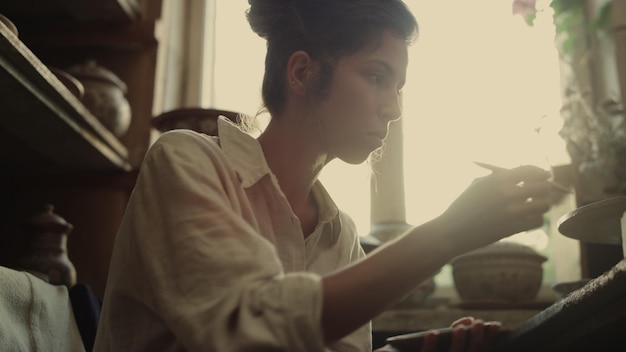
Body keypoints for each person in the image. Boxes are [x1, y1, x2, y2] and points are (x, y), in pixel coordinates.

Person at [93, 0, 552, 351]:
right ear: (302, 72)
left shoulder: (340, 237)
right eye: (376, 76)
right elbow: (247, 328)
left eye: (398, 87)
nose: (393, 108)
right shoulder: (183, 162)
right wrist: (447, 234)